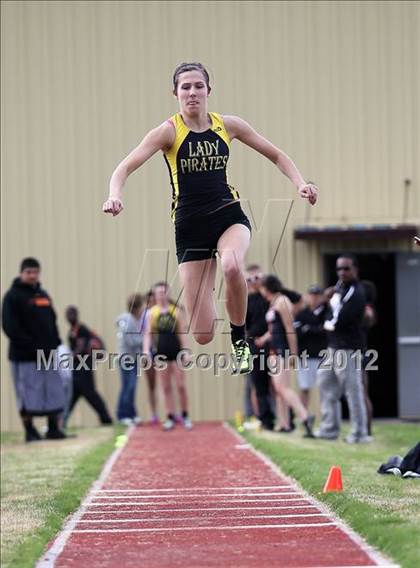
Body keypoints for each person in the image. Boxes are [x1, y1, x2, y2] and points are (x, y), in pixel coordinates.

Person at [103, 61, 318, 375]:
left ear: (208, 91)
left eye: (198, 86)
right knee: (202, 334)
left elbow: (276, 154)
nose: (192, 92)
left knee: (232, 265)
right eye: (185, 87)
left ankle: (239, 340)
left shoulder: (228, 125)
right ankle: (220, 290)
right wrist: (115, 195)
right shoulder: (168, 131)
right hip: (190, 228)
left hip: (228, 214)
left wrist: (301, 183)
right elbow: (124, 167)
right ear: (175, 93)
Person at [2, 257, 66, 441]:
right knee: (27, 393)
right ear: (21, 273)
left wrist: (56, 343)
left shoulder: (43, 295)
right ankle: (30, 431)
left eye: (35, 272)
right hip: (24, 356)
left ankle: (53, 428)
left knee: (53, 391)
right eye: (28, 272)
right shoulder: (12, 296)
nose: (32, 276)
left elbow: (52, 321)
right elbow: (9, 327)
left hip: (48, 355)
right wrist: (31, 345)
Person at [317, 254, 370, 443]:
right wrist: (326, 300)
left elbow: (341, 320)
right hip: (333, 347)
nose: (342, 272)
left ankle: (359, 433)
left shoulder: (356, 292)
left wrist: (325, 323)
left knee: (352, 390)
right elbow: (324, 313)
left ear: (355, 269)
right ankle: (329, 429)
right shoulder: (339, 288)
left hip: (349, 348)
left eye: (346, 268)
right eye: (339, 268)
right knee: (325, 384)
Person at [258, 275, 315, 437]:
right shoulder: (273, 302)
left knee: (283, 388)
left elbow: (290, 329)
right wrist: (263, 339)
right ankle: (284, 424)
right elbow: (273, 329)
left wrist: (293, 353)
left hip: (282, 350)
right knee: (278, 389)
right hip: (273, 350)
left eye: (262, 288)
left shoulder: (282, 301)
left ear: (267, 288)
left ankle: (305, 416)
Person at [143, 282, 192, 431]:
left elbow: (182, 332)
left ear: (168, 294)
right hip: (161, 352)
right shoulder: (151, 313)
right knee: (165, 387)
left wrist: (186, 351)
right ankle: (169, 416)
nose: (162, 295)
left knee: (180, 385)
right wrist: (146, 351)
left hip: (175, 351)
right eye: (158, 292)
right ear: (154, 295)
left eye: (164, 292)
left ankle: (185, 415)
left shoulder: (175, 311)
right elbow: (148, 334)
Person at [65, 306, 113, 426]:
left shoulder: (81, 329)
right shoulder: (72, 330)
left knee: (90, 394)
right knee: (72, 396)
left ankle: (106, 419)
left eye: (72, 314)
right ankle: (61, 421)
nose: (70, 317)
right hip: (77, 367)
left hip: (84, 366)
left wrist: (68, 357)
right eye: (68, 315)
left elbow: (80, 349)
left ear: (76, 315)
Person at [245, 264, 276, 430]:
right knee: (257, 384)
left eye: (256, 278)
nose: (253, 282)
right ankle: (263, 419)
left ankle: (284, 417)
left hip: (272, 344)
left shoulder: (270, 297)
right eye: (249, 279)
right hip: (254, 345)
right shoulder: (246, 300)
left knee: (276, 384)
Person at [294, 285, 328, 410]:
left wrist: (308, 329)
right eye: (312, 295)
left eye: (317, 295)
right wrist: (313, 329)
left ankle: (326, 418)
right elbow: (297, 332)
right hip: (305, 356)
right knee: (304, 387)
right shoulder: (301, 314)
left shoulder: (326, 312)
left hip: (322, 356)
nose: (314, 298)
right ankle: (304, 417)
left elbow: (326, 330)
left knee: (324, 388)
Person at [115, 294, 147, 426]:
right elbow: (130, 340)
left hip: (133, 358)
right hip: (126, 358)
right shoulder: (127, 320)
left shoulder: (135, 320)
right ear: (136, 307)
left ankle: (132, 413)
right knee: (128, 386)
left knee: (131, 387)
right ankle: (123, 414)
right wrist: (144, 339)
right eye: (141, 307)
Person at [143, 289, 160, 425]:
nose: (151, 302)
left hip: (163, 350)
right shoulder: (145, 315)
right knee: (151, 385)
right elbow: (144, 334)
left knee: (168, 382)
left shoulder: (162, 313)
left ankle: (173, 412)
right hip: (150, 352)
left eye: (153, 299)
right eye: (149, 300)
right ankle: (154, 413)